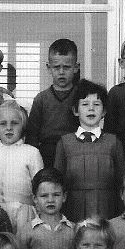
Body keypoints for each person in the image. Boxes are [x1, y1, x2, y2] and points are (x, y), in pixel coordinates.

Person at [53, 79, 125, 221]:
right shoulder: (64, 143)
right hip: (73, 209)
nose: (91, 108)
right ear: (75, 110)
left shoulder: (114, 142)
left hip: (107, 210)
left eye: (97, 104)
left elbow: (122, 183)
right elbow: (57, 184)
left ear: (104, 111)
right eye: (85, 104)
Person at [0, 101, 44, 225]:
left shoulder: (32, 152)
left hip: (24, 214)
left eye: (14, 123)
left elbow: (40, 188)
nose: (9, 128)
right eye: (3, 123)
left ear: (23, 125)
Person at [15, 168, 76, 249]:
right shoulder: (27, 231)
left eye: (56, 195)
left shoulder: (74, 230)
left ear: (64, 196)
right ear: (35, 198)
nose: (50, 200)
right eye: (44, 196)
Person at [26, 38, 81, 166]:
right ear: (48, 67)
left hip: (75, 152)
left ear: (76, 67)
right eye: (56, 67)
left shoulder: (81, 97)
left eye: (66, 67)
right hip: (46, 154)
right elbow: (32, 136)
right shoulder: (41, 99)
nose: (61, 72)